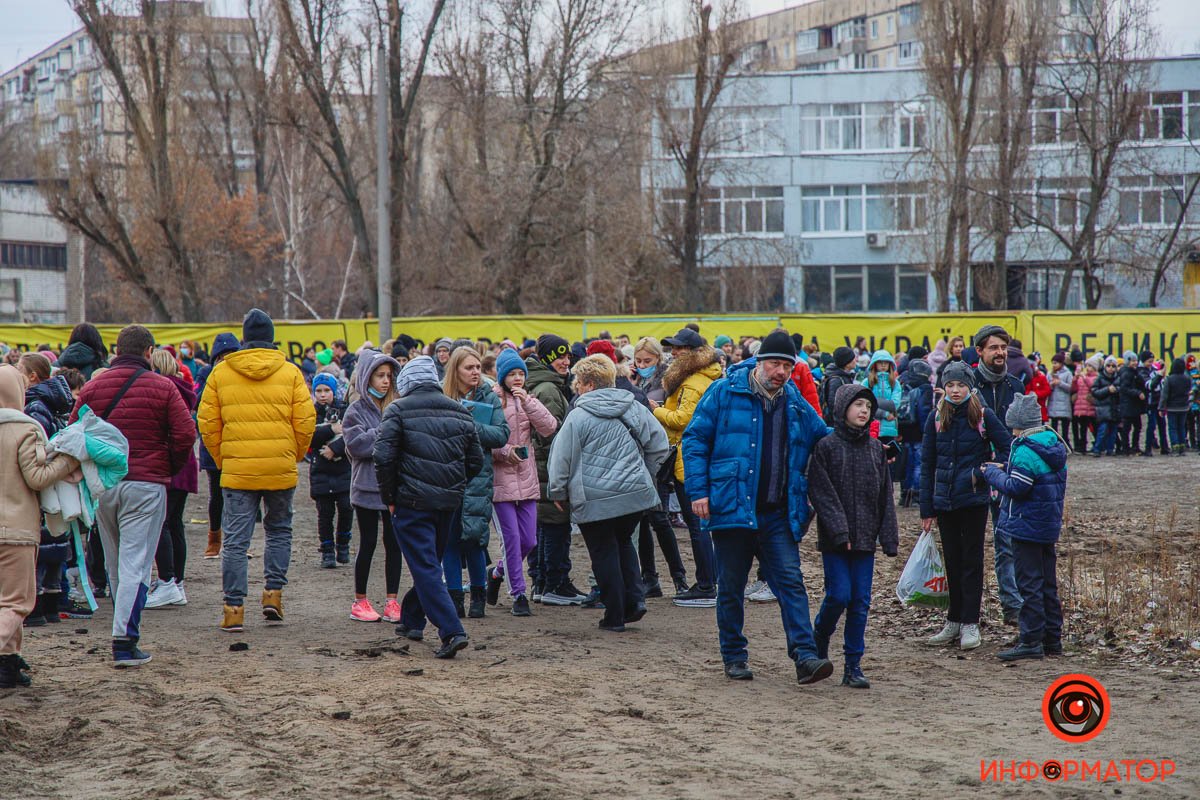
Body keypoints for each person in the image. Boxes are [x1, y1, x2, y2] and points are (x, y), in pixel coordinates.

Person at [682, 330, 835, 684]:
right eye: (775, 364)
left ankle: (805, 656)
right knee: (732, 587)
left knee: (791, 583)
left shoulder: (794, 401)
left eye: (787, 365)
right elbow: (695, 439)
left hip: (777, 512)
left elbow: (822, 435)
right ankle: (734, 656)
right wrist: (698, 491)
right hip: (731, 506)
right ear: (760, 362)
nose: (780, 371)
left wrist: (860, 440)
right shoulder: (724, 391)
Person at [70, 325, 195, 666]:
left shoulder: (93, 386)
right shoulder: (163, 387)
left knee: (114, 562)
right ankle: (124, 642)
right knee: (136, 563)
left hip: (104, 486)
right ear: (148, 352)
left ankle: (120, 630)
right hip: (147, 483)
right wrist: (166, 465)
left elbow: (74, 432)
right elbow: (185, 434)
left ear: (117, 350)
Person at [198, 309, 316, 633]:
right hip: (279, 466)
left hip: (238, 470)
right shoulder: (290, 372)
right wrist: (294, 453)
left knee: (235, 542)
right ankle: (273, 595)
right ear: (272, 338)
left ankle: (234, 609)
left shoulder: (221, 373)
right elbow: (306, 421)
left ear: (244, 338)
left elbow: (207, 422)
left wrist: (224, 458)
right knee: (279, 530)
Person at [546, 355, 669, 632]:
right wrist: (645, 475)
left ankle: (614, 616)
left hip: (594, 498)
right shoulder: (634, 408)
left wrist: (557, 490)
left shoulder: (577, 416)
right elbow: (660, 445)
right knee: (624, 544)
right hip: (633, 495)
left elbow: (561, 458)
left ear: (589, 384)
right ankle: (635, 602)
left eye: (578, 381)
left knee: (603, 553)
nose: (575, 386)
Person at [374, 356, 484, 659]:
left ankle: (452, 631)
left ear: (406, 383)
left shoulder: (397, 409)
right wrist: (455, 485)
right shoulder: (460, 411)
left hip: (411, 503)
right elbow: (475, 461)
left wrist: (390, 497)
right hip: (448, 503)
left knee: (426, 568)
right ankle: (412, 619)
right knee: (429, 565)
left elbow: (383, 457)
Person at [808, 384, 899, 688]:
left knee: (860, 601)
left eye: (868, 407)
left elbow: (885, 495)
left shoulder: (875, 449)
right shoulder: (827, 446)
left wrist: (888, 537)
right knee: (838, 595)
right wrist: (839, 530)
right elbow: (822, 492)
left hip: (865, 539)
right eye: (858, 404)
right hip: (836, 540)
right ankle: (819, 638)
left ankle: (853, 666)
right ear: (843, 407)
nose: (864, 411)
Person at [919, 363, 1011, 651]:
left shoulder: (983, 415)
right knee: (953, 562)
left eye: (960, 385)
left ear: (970, 387)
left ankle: (971, 622)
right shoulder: (936, 417)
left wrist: (985, 471)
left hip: (973, 500)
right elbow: (927, 464)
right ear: (944, 387)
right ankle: (954, 620)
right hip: (944, 501)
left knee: (971, 561)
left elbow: (1009, 448)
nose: (955, 390)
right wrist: (926, 508)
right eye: (950, 385)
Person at [0, 365, 80, 687]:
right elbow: (37, 477)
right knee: (16, 603)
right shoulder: (25, 429)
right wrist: (68, 460)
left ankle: (8, 664)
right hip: (17, 531)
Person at [982, 394, 1067, 661]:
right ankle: (1052, 639)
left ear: (1017, 423)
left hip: (1025, 526)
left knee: (1028, 583)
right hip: (1046, 524)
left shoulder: (1025, 449)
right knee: (1047, 584)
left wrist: (992, 473)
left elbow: (1018, 486)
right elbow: (1032, 474)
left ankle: (1030, 640)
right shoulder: (1050, 443)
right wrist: (1007, 466)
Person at [654, 326, 723, 608]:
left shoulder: (693, 382)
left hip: (688, 460)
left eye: (679, 348)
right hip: (699, 458)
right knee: (704, 525)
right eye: (672, 348)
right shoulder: (704, 376)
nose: (674, 352)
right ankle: (710, 581)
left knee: (698, 526)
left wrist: (654, 409)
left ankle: (706, 585)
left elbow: (683, 420)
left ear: (693, 353)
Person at [489, 349, 558, 616]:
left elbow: (550, 427)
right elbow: (482, 440)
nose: (517, 378)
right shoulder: (492, 399)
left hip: (527, 480)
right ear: (502, 376)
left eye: (521, 374)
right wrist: (506, 452)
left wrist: (528, 402)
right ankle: (518, 593)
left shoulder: (528, 399)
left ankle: (496, 573)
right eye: (512, 374)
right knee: (511, 540)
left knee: (528, 541)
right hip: (501, 481)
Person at [442, 347, 509, 619]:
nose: (475, 373)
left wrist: (469, 425)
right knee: (449, 540)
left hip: (477, 477)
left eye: (478, 367)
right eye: (469, 368)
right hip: (446, 476)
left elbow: (502, 433)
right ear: (455, 370)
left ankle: (478, 596)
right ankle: (455, 598)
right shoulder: (442, 396)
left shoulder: (489, 397)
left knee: (474, 538)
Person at [526, 334, 588, 605]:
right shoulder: (549, 389)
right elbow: (552, 436)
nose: (566, 361)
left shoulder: (543, 383)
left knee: (544, 524)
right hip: (548, 467)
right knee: (555, 524)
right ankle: (555, 582)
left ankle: (541, 583)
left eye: (568, 357)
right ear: (548, 359)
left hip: (540, 467)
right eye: (560, 357)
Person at [343, 351, 405, 623]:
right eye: (380, 376)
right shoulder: (354, 411)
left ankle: (393, 601)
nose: (385, 381)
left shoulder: (397, 407)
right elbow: (357, 446)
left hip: (394, 488)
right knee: (367, 543)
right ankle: (360, 600)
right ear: (367, 376)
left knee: (394, 544)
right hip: (366, 488)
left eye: (389, 376)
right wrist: (385, 431)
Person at [970, 324, 1026, 626]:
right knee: (970, 547)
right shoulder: (967, 384)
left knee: (1006, 541)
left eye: (1003, 348)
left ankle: (1012, 606)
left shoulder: (1015, 386)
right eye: (994, 348)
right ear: (980, 351)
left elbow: (1025, 429)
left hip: (1008, 474)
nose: (1001, 353)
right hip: (975, 475)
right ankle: (967, 613)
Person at [629, 337, 688, 597]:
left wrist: (657, 408)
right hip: (639, 455)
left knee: (659, 518)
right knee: (642, 520)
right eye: (639, 361)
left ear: (657, 360)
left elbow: (674, 413)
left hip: (661, 455)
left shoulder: (668, 382)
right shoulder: (635, 381)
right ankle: (650, 578)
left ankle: (679, 578)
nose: (642, 365)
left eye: (647, 361)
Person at [143, 350, 199, 610]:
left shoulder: (162, 391)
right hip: (186, 463)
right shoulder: (185, 389)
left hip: (170, 463)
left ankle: (166, 580)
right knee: (175, 523)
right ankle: (177, 583)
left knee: (161, 523)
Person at [196, 333, 240, 559]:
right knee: (216, 494)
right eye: (222, 356)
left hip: (238, 444)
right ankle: (214, 538)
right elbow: (199, 404)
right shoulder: (206, 374)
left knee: (238, 496)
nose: (226, 360)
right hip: (212, 445)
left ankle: (237, 541)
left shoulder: (242, 375)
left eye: (231, 355)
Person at [309, 373, 352, 570]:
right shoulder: (310, 412)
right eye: (319, 391)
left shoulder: (345, 410)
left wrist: (336, 448)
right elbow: (308, 437)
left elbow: (352, 435)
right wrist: (331, 430)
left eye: (327, 390)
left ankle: (343, 543)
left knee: (346, 507)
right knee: (325, 513)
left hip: (343, 468)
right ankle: (327, 550)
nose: (323, 394)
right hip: (321, 470)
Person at [896, 358, 934, 508]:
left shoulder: (903, 382)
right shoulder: (925, 387)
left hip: (905, 428)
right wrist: (928, 432)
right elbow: (924, 410)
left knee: (907, 463)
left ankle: (905, 494)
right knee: (919, 463)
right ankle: (916, 495)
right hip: (918, 430)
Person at [18, 353, 72, 437]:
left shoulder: (36, 407)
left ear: (32, 376)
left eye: (19, 370)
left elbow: (36, 441)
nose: (16, 374)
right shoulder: (44, 399)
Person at [860, 350, 902, 445]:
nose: (883, 365)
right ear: (874, 364)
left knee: (888, 458)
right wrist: (884, 414)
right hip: (870, 427)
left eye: (886, 362)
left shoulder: (895, 383)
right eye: (880, 362)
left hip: (889, 429)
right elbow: (864, 403)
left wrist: (874, 402)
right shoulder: (867, 382)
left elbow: (894, 404)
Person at [1116, 350, 1147, 456]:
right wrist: (1137, 393)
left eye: (1136, 360)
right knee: (1127, 428)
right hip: (1128, 405)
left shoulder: (1134, 372)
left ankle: (1134, 446)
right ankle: (1126, 448)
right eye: (1132, 361)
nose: (1135, 363)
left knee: (1137, 426)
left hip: (1133, 405)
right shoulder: (1126, 373)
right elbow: (1124, 388)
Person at [1090, 356, 1121, 457]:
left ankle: (1110, 449)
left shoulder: (1118, 378)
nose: (1111, 368)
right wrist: (1107, 390)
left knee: (1113, 431)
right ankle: (1097, 449)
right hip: (1103, 409)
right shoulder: (1100, 378)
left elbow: (1123, 390)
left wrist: (1116, 390)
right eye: (1108, 365)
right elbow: (1094, 391)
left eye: (1113, 366)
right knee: (1102, 430)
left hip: (1115, 408)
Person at [818, 346, 857, 424]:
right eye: (853, 359)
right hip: (837, 424)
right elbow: (834, 405)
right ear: (846, 363)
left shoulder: (845, 376)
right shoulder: (836, 380)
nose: (855, 360)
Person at [1071, 356, 1099, 455]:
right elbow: (1074, 388)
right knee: (1082, 428)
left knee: (1093, 427)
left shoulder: (1095, 377)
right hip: (1080, 407)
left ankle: (1097, 445)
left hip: (1089, 407)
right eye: (1087, 365)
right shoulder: (1083, 377)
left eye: (1090, 366)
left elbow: (1092, 386)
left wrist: (1084, 378)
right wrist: (1075, 379)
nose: (1088, 368)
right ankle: (1082, 446)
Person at [1047, 353, 1073, 443]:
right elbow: (1047, 387)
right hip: (1053, 403)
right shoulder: (1049, 373)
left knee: (1065, 427)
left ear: (1061, 363)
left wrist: (1060, 383)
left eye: (1056, 363)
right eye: (1053, 363)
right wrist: (1051, 384)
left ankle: (1065, 442)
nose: (1054, 365)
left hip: (1064, 404)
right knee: (1053, 427)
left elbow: (1071, 388)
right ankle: (1055, 442)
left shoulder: (1068, 373)